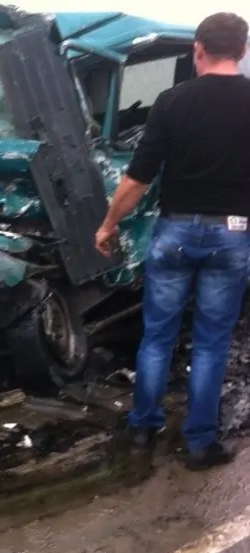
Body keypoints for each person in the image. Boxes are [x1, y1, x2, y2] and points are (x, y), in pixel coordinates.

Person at [94, 12, 250, 471]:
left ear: (197, 48)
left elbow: (137, 179)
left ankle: (143, 429)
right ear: (243, 51)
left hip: (175, 233)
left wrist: (108, 224)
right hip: (232, 234)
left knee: (157, 336)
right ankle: (201, 443)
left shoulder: (171, 101)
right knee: (211, 342)